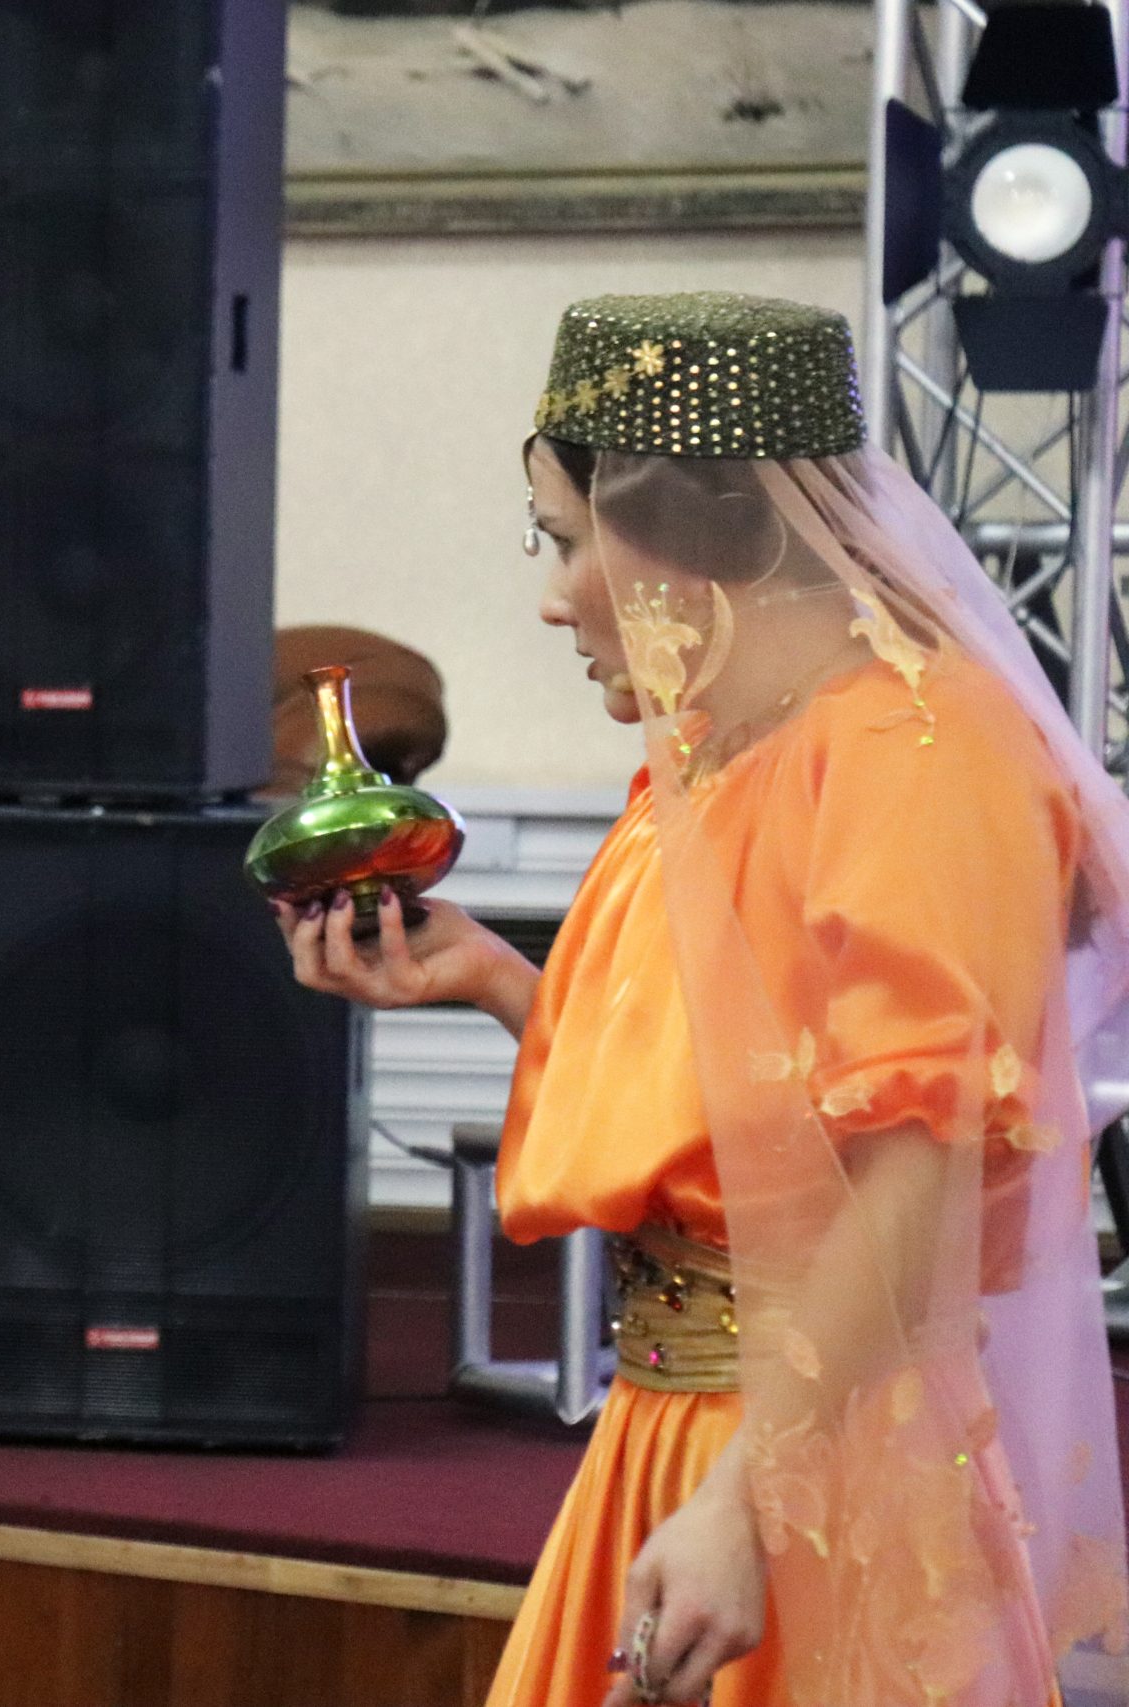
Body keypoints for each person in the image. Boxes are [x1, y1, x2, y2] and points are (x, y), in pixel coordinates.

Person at [278, 292, 1129, 1707]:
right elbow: (750, 1127)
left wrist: (748, 1499)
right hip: (687, 1432)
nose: (553, 596)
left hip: (820, 1452)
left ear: (681, 531)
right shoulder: (724, 754)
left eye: (565, 540)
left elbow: (911, 1175)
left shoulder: (919, 752)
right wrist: (488, 977)